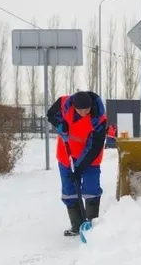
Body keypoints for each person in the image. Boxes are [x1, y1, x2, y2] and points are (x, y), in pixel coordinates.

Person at [46, 90, 108, 237]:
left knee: (91, 189)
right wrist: (60, 124)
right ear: (74, 106)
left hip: (90, 160)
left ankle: (92, 224)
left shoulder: (98, 119)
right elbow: (51, 114)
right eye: (80, 109)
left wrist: (79, 167)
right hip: (66, 157)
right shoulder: (64, 103)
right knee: (69, 191)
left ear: (91, 106)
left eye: (86, 109)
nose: (83, 112)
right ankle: (77, 225)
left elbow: (94, 147)